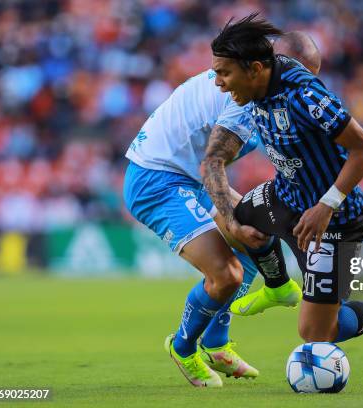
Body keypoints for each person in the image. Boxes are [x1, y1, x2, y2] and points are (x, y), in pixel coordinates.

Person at [123, 31, 321, 387]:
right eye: (300, 76)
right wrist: (232, 220)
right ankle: (182, 346)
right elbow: (211, 164)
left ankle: (216, 344)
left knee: (253, 234)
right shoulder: (242, 98)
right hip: (157, 180)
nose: (305, 88)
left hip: (187, 177)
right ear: (272, 67)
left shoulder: (263, 91)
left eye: (311, 79)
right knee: (227, 273)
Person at [204, 14, 363, 344]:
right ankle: (278, 286)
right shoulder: (258, 79)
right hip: (286, 198)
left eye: (224, 73)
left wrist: (326, 206)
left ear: (256, 69)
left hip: (334, 219)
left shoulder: (305, 97)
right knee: (236, 220)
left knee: (319, 332)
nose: (218, 82)